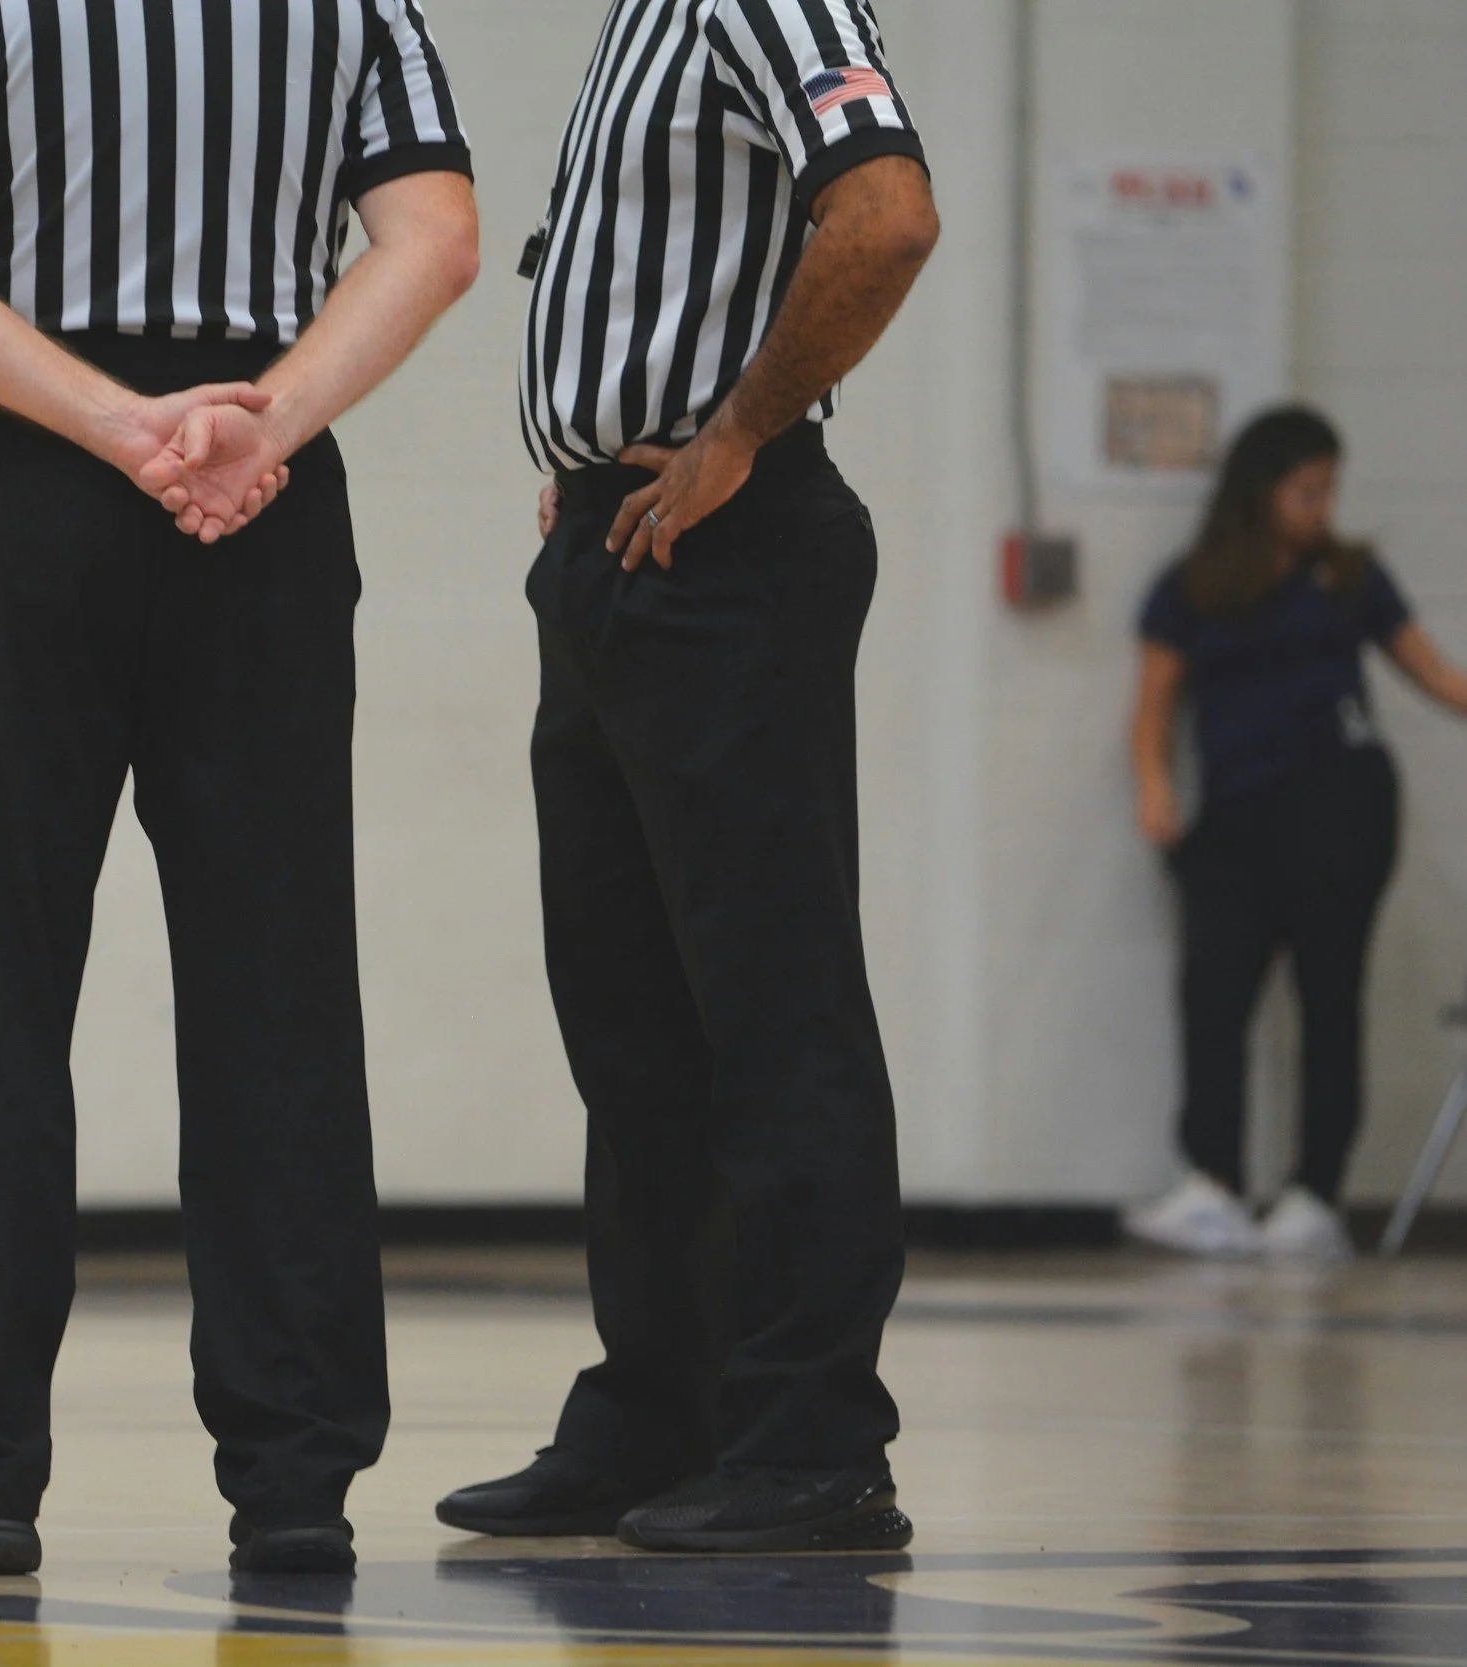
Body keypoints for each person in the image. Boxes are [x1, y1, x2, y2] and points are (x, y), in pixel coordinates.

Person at [0, 0, 480, 1577]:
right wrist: (266, 419)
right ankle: (294, 1483)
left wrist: (120, 425)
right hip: (256, 496)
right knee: (280, 997)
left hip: (23, 484)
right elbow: (439, 238)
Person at [436, 0, 937, 1553]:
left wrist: (736, 432)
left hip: (731, 550)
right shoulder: (641, 23)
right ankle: (664, 1403)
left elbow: (889, 216)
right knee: (633, 1022)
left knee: (772, 1010)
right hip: (612, 549)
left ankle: (815, 1439)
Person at [1124, 407, 1467, 1262]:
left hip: (1340, 802)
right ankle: (1214, 1182)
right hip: (1237, 814)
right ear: (1261, 489)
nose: (1321, 506)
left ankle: (1315, 1193)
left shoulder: (1349, 576)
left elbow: (1435, 675)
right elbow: (1154, 706)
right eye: (1306, 489)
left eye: (1330, 490)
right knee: (1214, 993)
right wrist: (1154, 786)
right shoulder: (1193, 585)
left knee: (1329, 991)